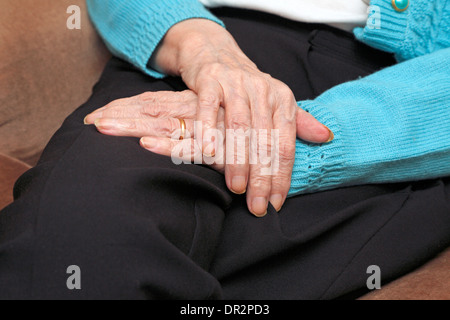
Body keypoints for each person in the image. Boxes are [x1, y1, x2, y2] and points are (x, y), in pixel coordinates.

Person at [0, 0, 448, 299]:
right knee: (82, 231)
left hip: (413, 101)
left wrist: (302, 139)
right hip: (200, 49)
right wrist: (201, 46)